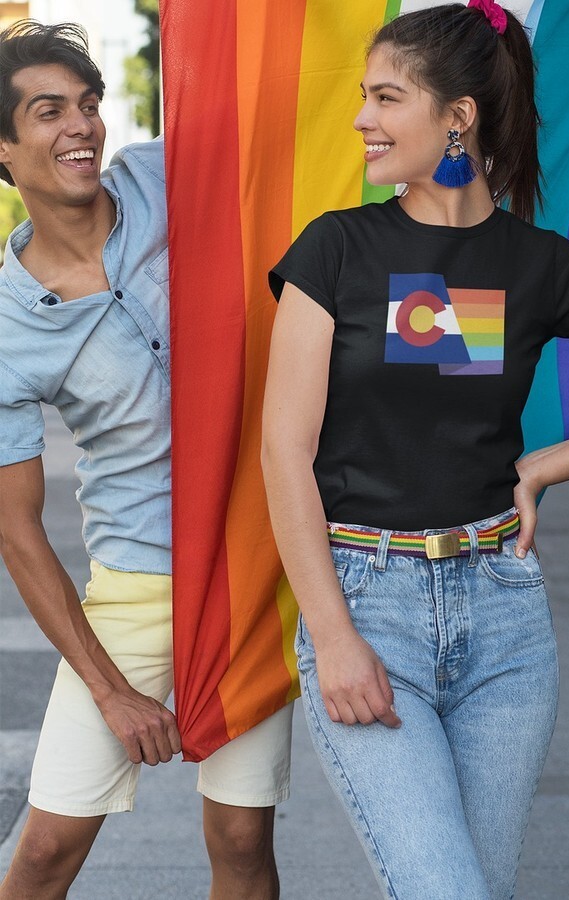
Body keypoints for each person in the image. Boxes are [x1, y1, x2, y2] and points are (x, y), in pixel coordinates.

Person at [261, 3, 569, 898]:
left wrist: (544, 466)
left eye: (386, 98)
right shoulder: (337, 249)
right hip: (368, 604)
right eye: (363, 97)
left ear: (456, 116)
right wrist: (334, 635)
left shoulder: (537, 263)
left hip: (504, 623)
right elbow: (284, 450)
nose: (362, 120)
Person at [0, 21, 292, 900]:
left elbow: (281, 124)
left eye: (87, 105)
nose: (80, 127)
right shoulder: (9, 325)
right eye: (47, 112)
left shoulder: (168, 176)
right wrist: (112, 690)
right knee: (47, 849)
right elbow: (17, 531)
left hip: (250, 567)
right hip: (138, 584)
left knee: (241, 837)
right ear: (5, 150)